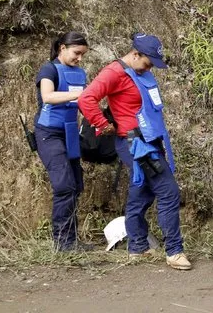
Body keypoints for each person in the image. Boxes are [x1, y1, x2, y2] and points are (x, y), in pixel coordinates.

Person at [78, 33, 191, 270]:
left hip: (150, 141)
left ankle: (138, 247)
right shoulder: (114, 72)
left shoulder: (141, 72)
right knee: (169, 191)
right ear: (135, 54)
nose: (150, 68)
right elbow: (87, 98)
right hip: (136, 145)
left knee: (143, 191)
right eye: (148, 62)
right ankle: (174, 251)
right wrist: (102, 124)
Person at [34, 31, 90, 252]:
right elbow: (48, 96)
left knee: (75, 185)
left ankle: (71, 239)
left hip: (71, 133)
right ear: (62, 48)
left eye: (83, 54)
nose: (80, 58)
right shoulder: (49, 69)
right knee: (64, 185)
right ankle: (62, 243)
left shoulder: (80, 73)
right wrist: (82, 95)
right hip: (48, 133)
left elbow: (83, 103)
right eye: (77, 53)